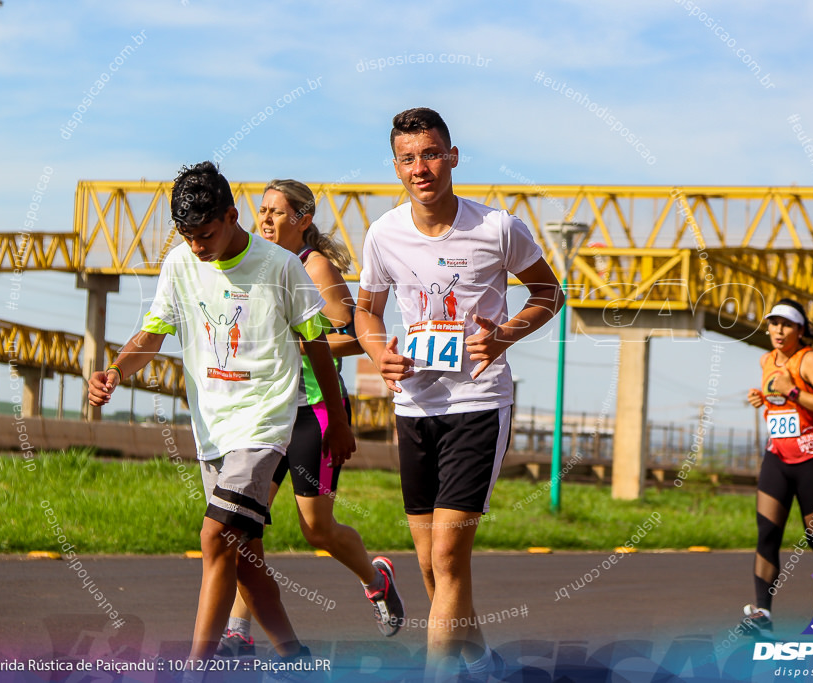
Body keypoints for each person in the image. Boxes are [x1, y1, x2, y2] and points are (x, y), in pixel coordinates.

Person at [87, 161, 355, 670]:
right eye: (186, 236)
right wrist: (117, 371)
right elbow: (152, 334)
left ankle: (196, 668)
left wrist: (337, 423)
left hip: (265, 426)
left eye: (205, 234)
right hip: (213, 430)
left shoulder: (280, 265)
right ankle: (296, 660)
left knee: (214, 538)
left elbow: (316, 341)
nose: (196, 245)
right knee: (246, 565)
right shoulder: (180, 265)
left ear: (233, 215)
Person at [354, 107, 564, 680]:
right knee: (431, 567)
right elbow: (366, 312)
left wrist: (503, 338)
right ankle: (482, 661)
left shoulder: (497, 227)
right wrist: (378, 352)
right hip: (414, 407)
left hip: (477, 404)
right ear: (396, 166)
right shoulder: (383, 234)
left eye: (430, 154)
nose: (420, 168)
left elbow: (550, 293)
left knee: (448, 559)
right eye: (407, 158)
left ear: (451, 156)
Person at [215, 179, 405, 659]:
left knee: (315, 529)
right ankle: (238, 629)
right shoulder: (260, 262)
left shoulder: (314, 266)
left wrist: (301, 340)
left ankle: (375, 578)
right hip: (267, 411)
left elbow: (352, 335)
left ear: (303, 219)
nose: (266, 220)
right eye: (262, 211)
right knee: (241, 523)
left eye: (277, 212)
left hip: (313, 411)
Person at [744, 298, 813, 635]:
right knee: (767, 532)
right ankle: (763, 614)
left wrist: (793, 390)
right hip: (777, 457)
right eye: (773, 323)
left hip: (811, 460)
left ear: (800, 330)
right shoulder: (766, 360)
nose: (778, 330)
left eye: (786, 324)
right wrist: (762, 396)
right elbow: (778, 398)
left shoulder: (809, 360)